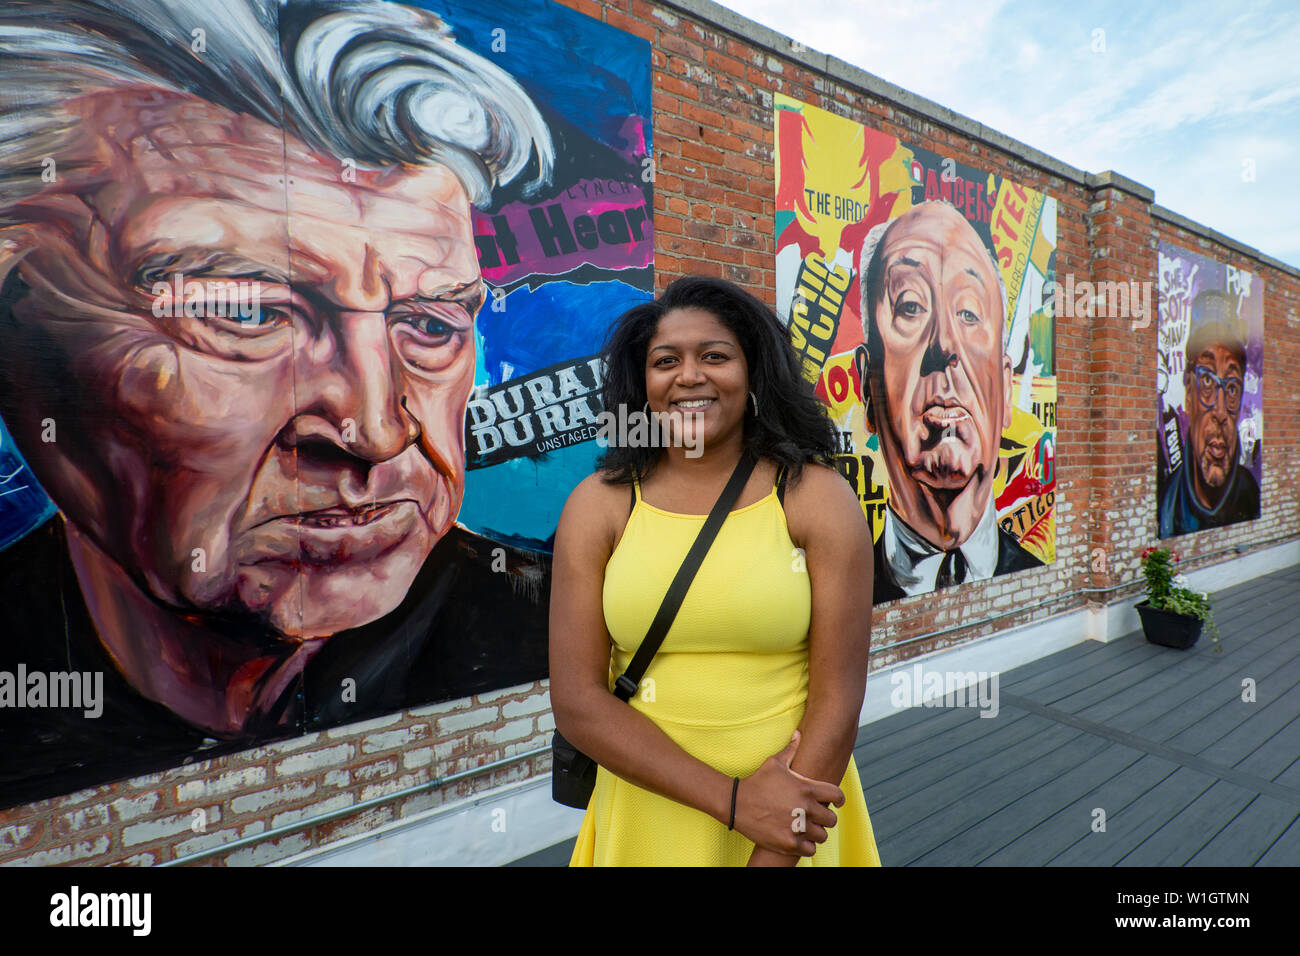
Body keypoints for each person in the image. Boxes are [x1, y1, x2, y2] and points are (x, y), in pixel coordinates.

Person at [0, 0, 555, 805]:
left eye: (429, 325)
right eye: (246, 312)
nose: (376, 429)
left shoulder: (550, 626)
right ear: (19, 332)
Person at [550, 275, 882, 866]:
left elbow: (837, 701)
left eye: (715, 355)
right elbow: (577, 700)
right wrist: (734, 803)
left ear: (753, 373)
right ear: (643, 383)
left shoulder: (815, 499)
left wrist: (772, 849)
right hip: (648, 819)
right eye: (665, 360)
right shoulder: (599, 505)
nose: (689, 376)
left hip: (792, 822)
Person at [856, 201, 1041, 604]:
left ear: (1006, 391)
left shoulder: (1036, 579)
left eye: (970, 313)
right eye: (910, 306)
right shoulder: (844, 595)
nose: (944, 344)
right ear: (868, 387)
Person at [1158, 290, 1259, 537]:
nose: (1220, 411)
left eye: (1232, 387)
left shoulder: (1251, 495)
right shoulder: (1168, 504)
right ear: (1188, 393)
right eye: (1206, 381)